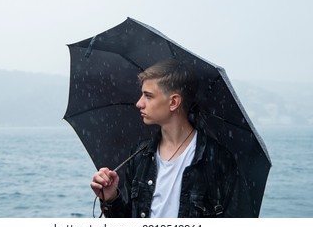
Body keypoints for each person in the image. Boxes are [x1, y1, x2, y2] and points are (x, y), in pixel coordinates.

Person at [90, 59, 249, 218]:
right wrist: (111, 198)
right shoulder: (140, 156)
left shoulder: (218, 161)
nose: (139, 103)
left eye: (148, 96)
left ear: (173, 102)